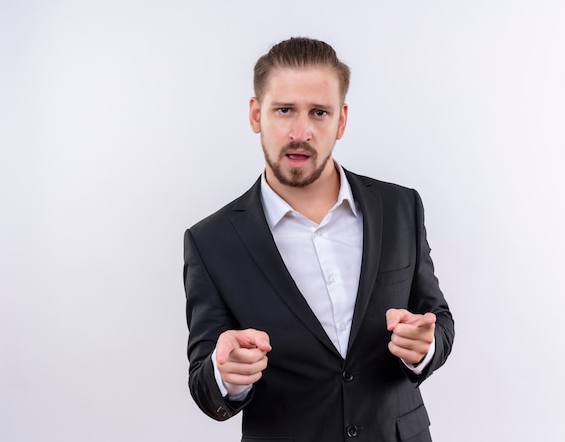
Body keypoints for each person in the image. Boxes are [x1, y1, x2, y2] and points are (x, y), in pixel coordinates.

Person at [184, 37, 454, 442]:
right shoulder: (211, 241)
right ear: (256, 114)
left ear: (341, 121)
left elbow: (438, 319)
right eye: (284, 110)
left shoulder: (401, 208)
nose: (301, 131)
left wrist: (425, 345)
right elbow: (205, 384)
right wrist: (226, 375)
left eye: (319, 112)